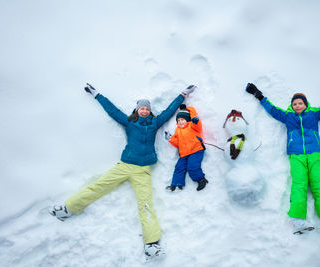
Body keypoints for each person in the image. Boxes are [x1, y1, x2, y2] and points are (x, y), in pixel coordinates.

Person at [50, 83, 196, 259]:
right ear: (137, 110)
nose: (144, 111)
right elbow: (112, 110)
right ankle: (68, 208)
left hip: (142, 171)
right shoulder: (130, 122)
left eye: (147, 109)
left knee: (146, 204)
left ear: (150, 111)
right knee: (98, 186)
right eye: (141, 108)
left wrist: (182, 94)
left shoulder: (155, 123)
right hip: (125, 165)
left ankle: (151, 244)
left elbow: (168, 111)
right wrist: (97, 95)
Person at [245, 81, 320, 234]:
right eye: (295, 104)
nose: (297, 105)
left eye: (300, 103)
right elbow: (272, 110)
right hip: (296, 156)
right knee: (299, 184)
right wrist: (258, 95)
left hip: (314, 154)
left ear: (306, 104)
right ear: (292, 106)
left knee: (319, 183)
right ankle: (298, 220)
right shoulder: (288, 117)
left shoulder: (314, 114)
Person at [165, 104, 208, 191]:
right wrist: (170, 139)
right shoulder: (177, 130)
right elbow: (177, 142)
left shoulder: (191, 125)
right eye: (179, 120)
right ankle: (176, 184)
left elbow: (198, 127)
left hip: (196, 150)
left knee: (192, 166)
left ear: (187, 119)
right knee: (179, 167)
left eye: (182, 119)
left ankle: (201, 180)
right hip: (184, 154)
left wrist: (195, 120)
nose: (180, 122)